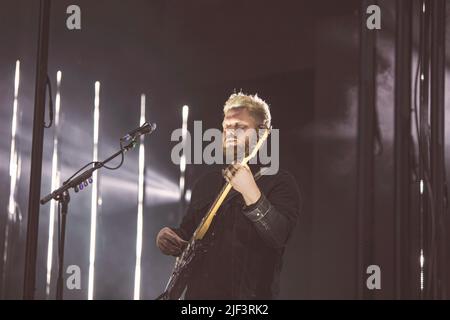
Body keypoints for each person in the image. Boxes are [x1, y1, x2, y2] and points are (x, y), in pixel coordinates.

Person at [156, 92, 301, 299]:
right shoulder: (206, 183)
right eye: (226, 127)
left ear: (263, 133)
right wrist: (170, 236)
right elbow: (188, 232)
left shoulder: (280, 181)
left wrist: (251, 192)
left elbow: (279, 236)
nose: (229, 133)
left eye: (240, 127)